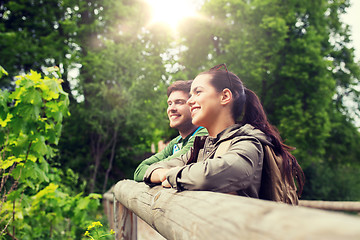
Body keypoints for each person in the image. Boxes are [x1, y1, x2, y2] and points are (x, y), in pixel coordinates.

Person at [143, 64, 305, 198]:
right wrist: (173, 175)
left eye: (198, 92)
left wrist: (171, 176)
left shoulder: (248, 142)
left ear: (225, 96)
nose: (190, 101)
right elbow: (150, 170)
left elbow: (219, 173)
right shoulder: (203, 147)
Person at [133, 80, 208, 182]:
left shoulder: (204, 134)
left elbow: (173, 163)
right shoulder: (176, 142)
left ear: (193, 104)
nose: (171, 109)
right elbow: (139, 171)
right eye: (169, 103)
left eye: (179, 102)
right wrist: (162, 174)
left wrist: (154, 173)